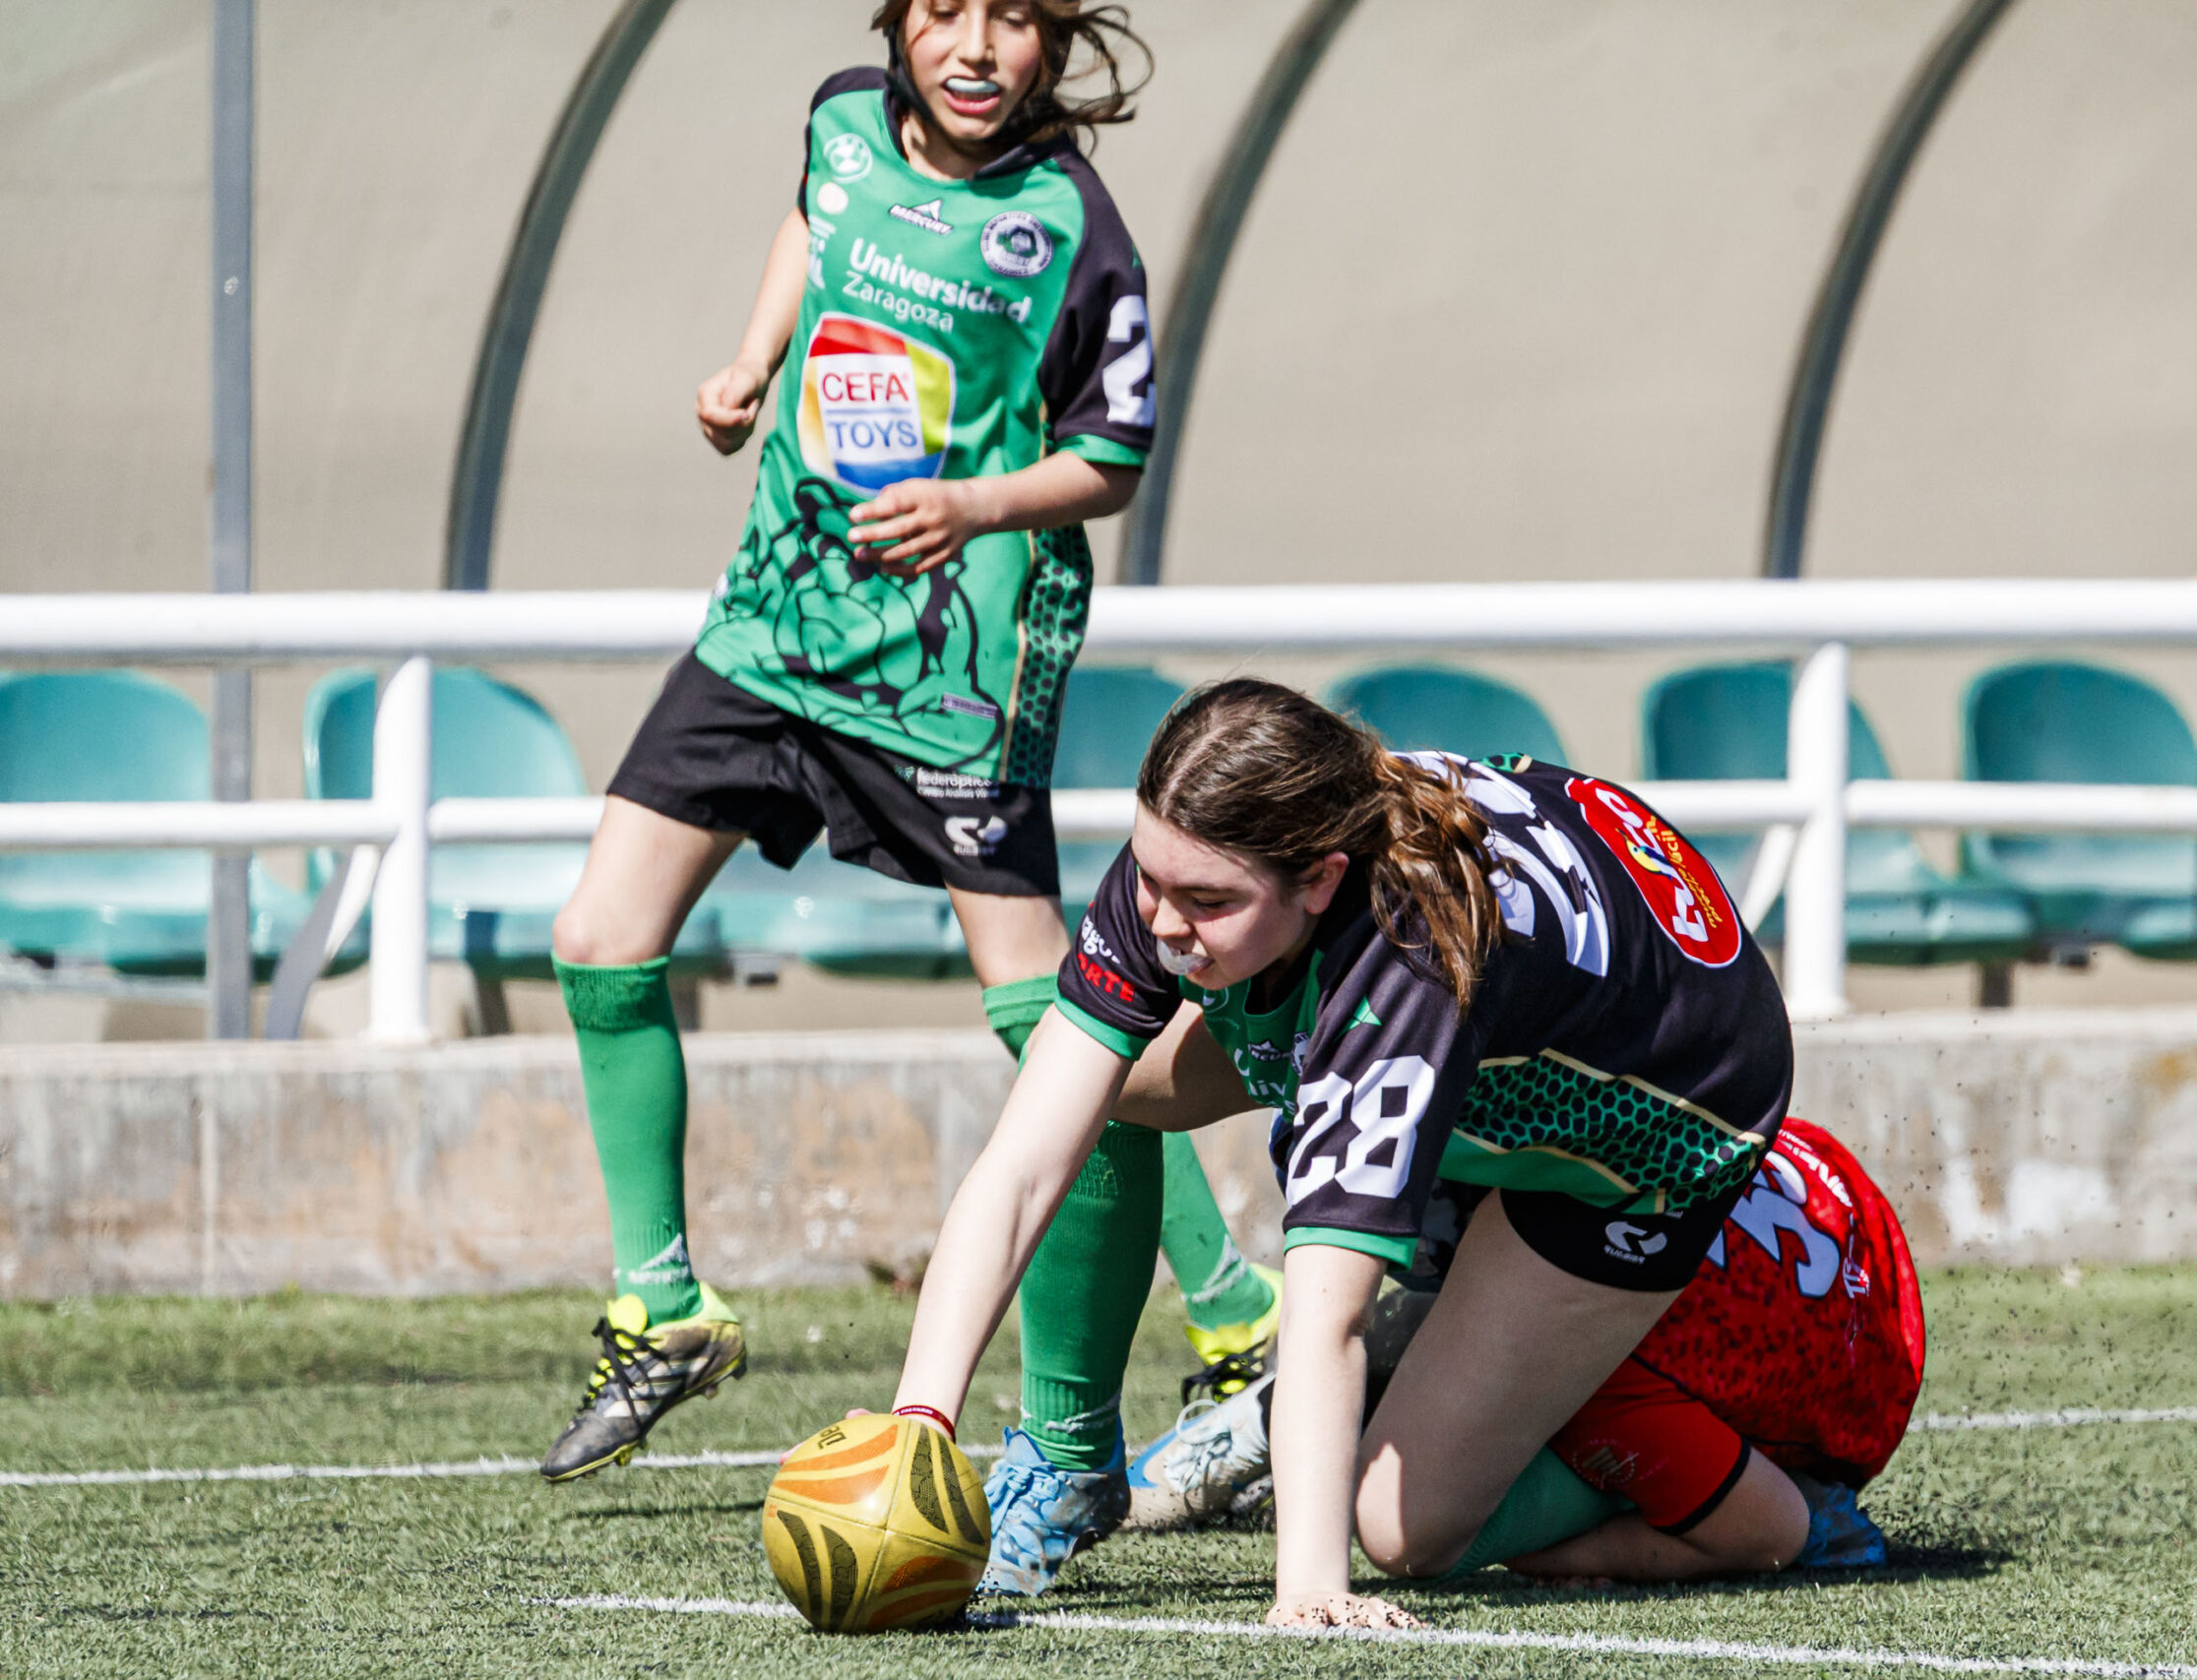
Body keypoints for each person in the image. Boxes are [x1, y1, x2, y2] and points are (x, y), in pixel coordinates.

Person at [537, 0, 1282, 1494]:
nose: (976, 46)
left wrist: (972, 505)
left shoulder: (1069, 223)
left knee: (1051, 1010)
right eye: (945, 9)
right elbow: (810, 225)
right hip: (776, 621)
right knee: (600, 936)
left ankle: (1233, 1307)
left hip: (954, 658)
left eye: (1014, 18)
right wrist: (751, 361)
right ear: (896, 21)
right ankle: (665, 1307)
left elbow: (1113, 454)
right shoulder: (838, 119)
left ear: (1054, 43)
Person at [883, 679, 1797, 1626]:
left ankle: (1741, 1490)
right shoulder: (1193, 852)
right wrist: (918, 1425)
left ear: (1321, 878)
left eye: (1207, 900)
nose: (1160, 923)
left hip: (1667, 1126)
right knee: (1085, 1082)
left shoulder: (1408, 958)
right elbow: (1024, 1163)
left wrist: (1311, 1590)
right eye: (1150, 878)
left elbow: (1328, 1313)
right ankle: (1069, 1459)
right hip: (1510, 1023)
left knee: (1403, 1528)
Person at [1124, 1116, 1922, 1585]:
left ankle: (1259, 1430)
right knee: (1425, 1353)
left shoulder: (1596, 1350)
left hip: (1838, 1397)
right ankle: (1254, 1430)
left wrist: (1567, 1553)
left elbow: (1773, 1529)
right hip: (1837, 1206)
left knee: (1404, 1515)